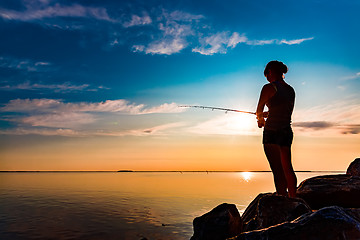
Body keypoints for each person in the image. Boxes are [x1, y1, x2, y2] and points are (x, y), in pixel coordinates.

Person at [256, 60, 297, 197]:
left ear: (271, 72)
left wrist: (260, 119)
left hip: (272, 132)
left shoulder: (268, 87)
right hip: (286, 131)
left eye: (266, 74)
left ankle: (282, 199)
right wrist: (269, 113)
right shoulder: (291, 90)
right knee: (288, 169)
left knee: (277, 170)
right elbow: (282, 109)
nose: (266, 78)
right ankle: (293, 198)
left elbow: (259, 109)